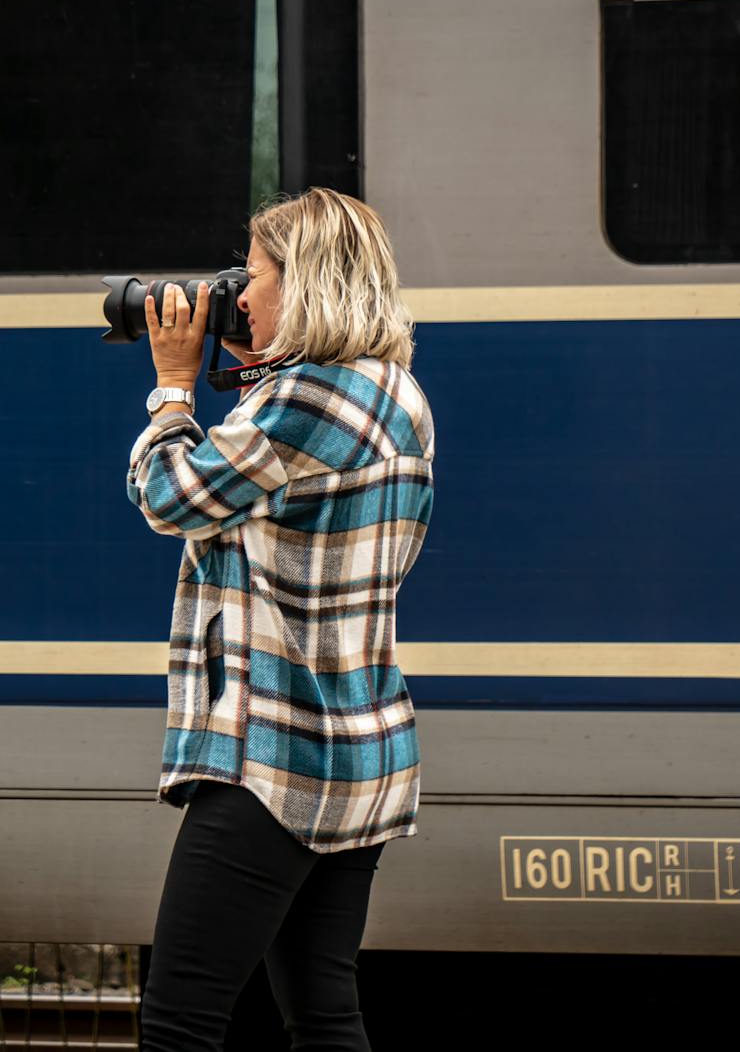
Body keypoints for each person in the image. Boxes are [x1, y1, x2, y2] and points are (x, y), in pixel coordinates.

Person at [126, 188, 435, 1052]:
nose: (240, 293)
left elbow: (170, 497)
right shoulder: (391, 390)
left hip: (274, 757)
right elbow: (272, 486)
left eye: (253, 275)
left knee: (179, 1022)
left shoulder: (301, 402)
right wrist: (257, 366)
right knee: (324, 1014)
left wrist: (173, 390)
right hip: (362, 746)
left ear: (303, 286)